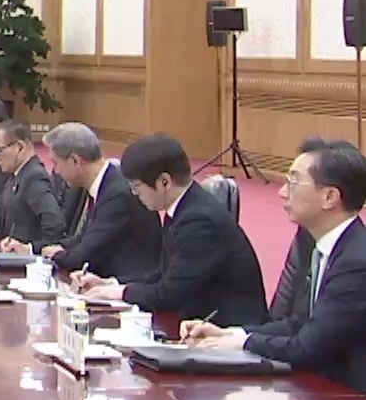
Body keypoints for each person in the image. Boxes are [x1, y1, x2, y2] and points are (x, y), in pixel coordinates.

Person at [183, 139, 366, 393]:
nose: (281, 192)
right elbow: (297, 324)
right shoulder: (321, 245)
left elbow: (307, 348)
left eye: (293, 182)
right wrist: (231, 334)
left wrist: (244, 343)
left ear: (329, 197)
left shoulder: (356, 263)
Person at [74, 133, 268, 327]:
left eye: (137, 186)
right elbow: (164, 273)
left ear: (164, 182)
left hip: (226, 328)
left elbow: (169, 294)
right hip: (198, 319)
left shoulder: (199, 221)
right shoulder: (183, 206)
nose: (134, 193)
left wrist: (120, 293)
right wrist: (111, 283)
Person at [37, 122, 161, 280]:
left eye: (56, 163)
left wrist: (56, 255)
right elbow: (82, 239)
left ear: (75, 161)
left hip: (128, 283)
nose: (55, 171)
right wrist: (35, 248)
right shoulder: (105, 182)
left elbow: (83, 255)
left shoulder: (117, 194)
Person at [0, 121, 65, 252]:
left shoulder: (34, 177)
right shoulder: (17, 173)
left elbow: (55, 224)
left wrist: (31, 249)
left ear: (20, 147)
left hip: (23, 259)